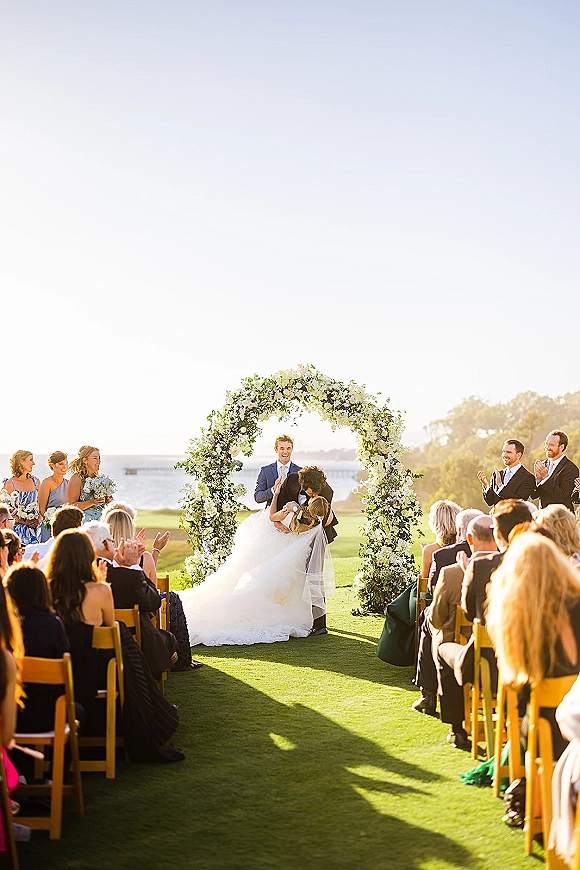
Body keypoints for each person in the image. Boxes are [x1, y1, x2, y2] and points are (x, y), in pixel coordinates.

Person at [47, 529, 183, 762]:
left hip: (55, 676)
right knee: (121, 638)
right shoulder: (99, 590)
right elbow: (110, 630)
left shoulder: (46, 589)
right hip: (94, 675)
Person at [177, 491, 334, 646]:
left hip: (282, 548)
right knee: (285, 587)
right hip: (296, 556)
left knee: (259, 578)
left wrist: (282, 500)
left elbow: (272, 517)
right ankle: (293, 614)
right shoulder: (316, 523)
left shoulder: (297, 512)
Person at [487, 532, 580, 761]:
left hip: (547, 734)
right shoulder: (576, 604)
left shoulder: (520, 623)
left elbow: (512, 681)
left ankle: (527, 784)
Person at [5, 563, 70, 733]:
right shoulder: (52, 625)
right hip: (48, 715)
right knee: (80, 712)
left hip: (10, 714)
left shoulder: (6, 627)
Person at [272, 466, 337, 635]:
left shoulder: (327, 491)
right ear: (303, 484)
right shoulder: (292, 480)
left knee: (314, 576)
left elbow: (315, 522)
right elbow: (279, 506)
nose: (315, 494)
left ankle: (320, 624)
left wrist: (296, 509)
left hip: (316, 535)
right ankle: (290, 615)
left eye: (317, 491)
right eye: (312, 491)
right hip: (292, 533)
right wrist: (278, 521)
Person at [427, 509, 483, 592]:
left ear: (459, 531)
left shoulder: (440, 555)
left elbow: (432, 589)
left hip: (449, 603)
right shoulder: (494, 552)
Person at [477, 439, 536, 506]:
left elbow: (518, 502)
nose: (504, 455)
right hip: (496, 516)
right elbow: (490, 502)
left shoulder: (528, 478)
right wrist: (486, 485)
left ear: (518, 455)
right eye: (503, 451)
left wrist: (500, 486)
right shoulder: (497, 474)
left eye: (508, 452)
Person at [533, 430, 579, 512]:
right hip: (542, 517)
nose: (547, 447)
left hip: (561, 519)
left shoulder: (570, 468)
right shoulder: (543, 465)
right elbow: (534, 496)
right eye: (546, 444)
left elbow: (562, 497)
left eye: (551, 445)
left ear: (561, 447)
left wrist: (546, 477)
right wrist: (538, 479)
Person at [2, 450, 41, 545]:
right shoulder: (9, 484)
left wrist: (38, 520)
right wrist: (24, 521)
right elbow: (5, 511)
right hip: (16, 530)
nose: (34, 463)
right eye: (31, 460)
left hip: (34, 529)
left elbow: (42, 504)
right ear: (21, 461)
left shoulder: (36, 482)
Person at [254, 434, 302, 507]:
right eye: (282, 448)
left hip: (293, 515)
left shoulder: (300, 471)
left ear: (292, 449)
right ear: (276, 449)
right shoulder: (266, 471)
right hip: (270, 515)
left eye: (288, 448)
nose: (285, 452)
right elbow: (258, 497)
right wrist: (273, 489)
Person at [67, 445, 111, 521]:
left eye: (99, 458)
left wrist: (108, 500)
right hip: (84, 523)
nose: (99, 461)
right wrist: (92, 502)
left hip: (101, 522)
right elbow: (71, 506)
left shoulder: (99, 478)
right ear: (85, 460)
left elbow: (106, 501)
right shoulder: (76, 478)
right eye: (95, 458)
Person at [420, 500, 462, 578]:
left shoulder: (429, 551)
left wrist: (427, 550)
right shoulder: (465, 548)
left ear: (435, 522)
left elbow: (424, 582)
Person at [38, 451, 69, 543]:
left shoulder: (69, 483)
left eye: (66, 463)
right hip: (49, 527)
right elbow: (42, 510)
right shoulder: (46, 483)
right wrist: (53, 521)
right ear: (52, 465)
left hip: (66, 526)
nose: (64, 466)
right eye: (61, 464)